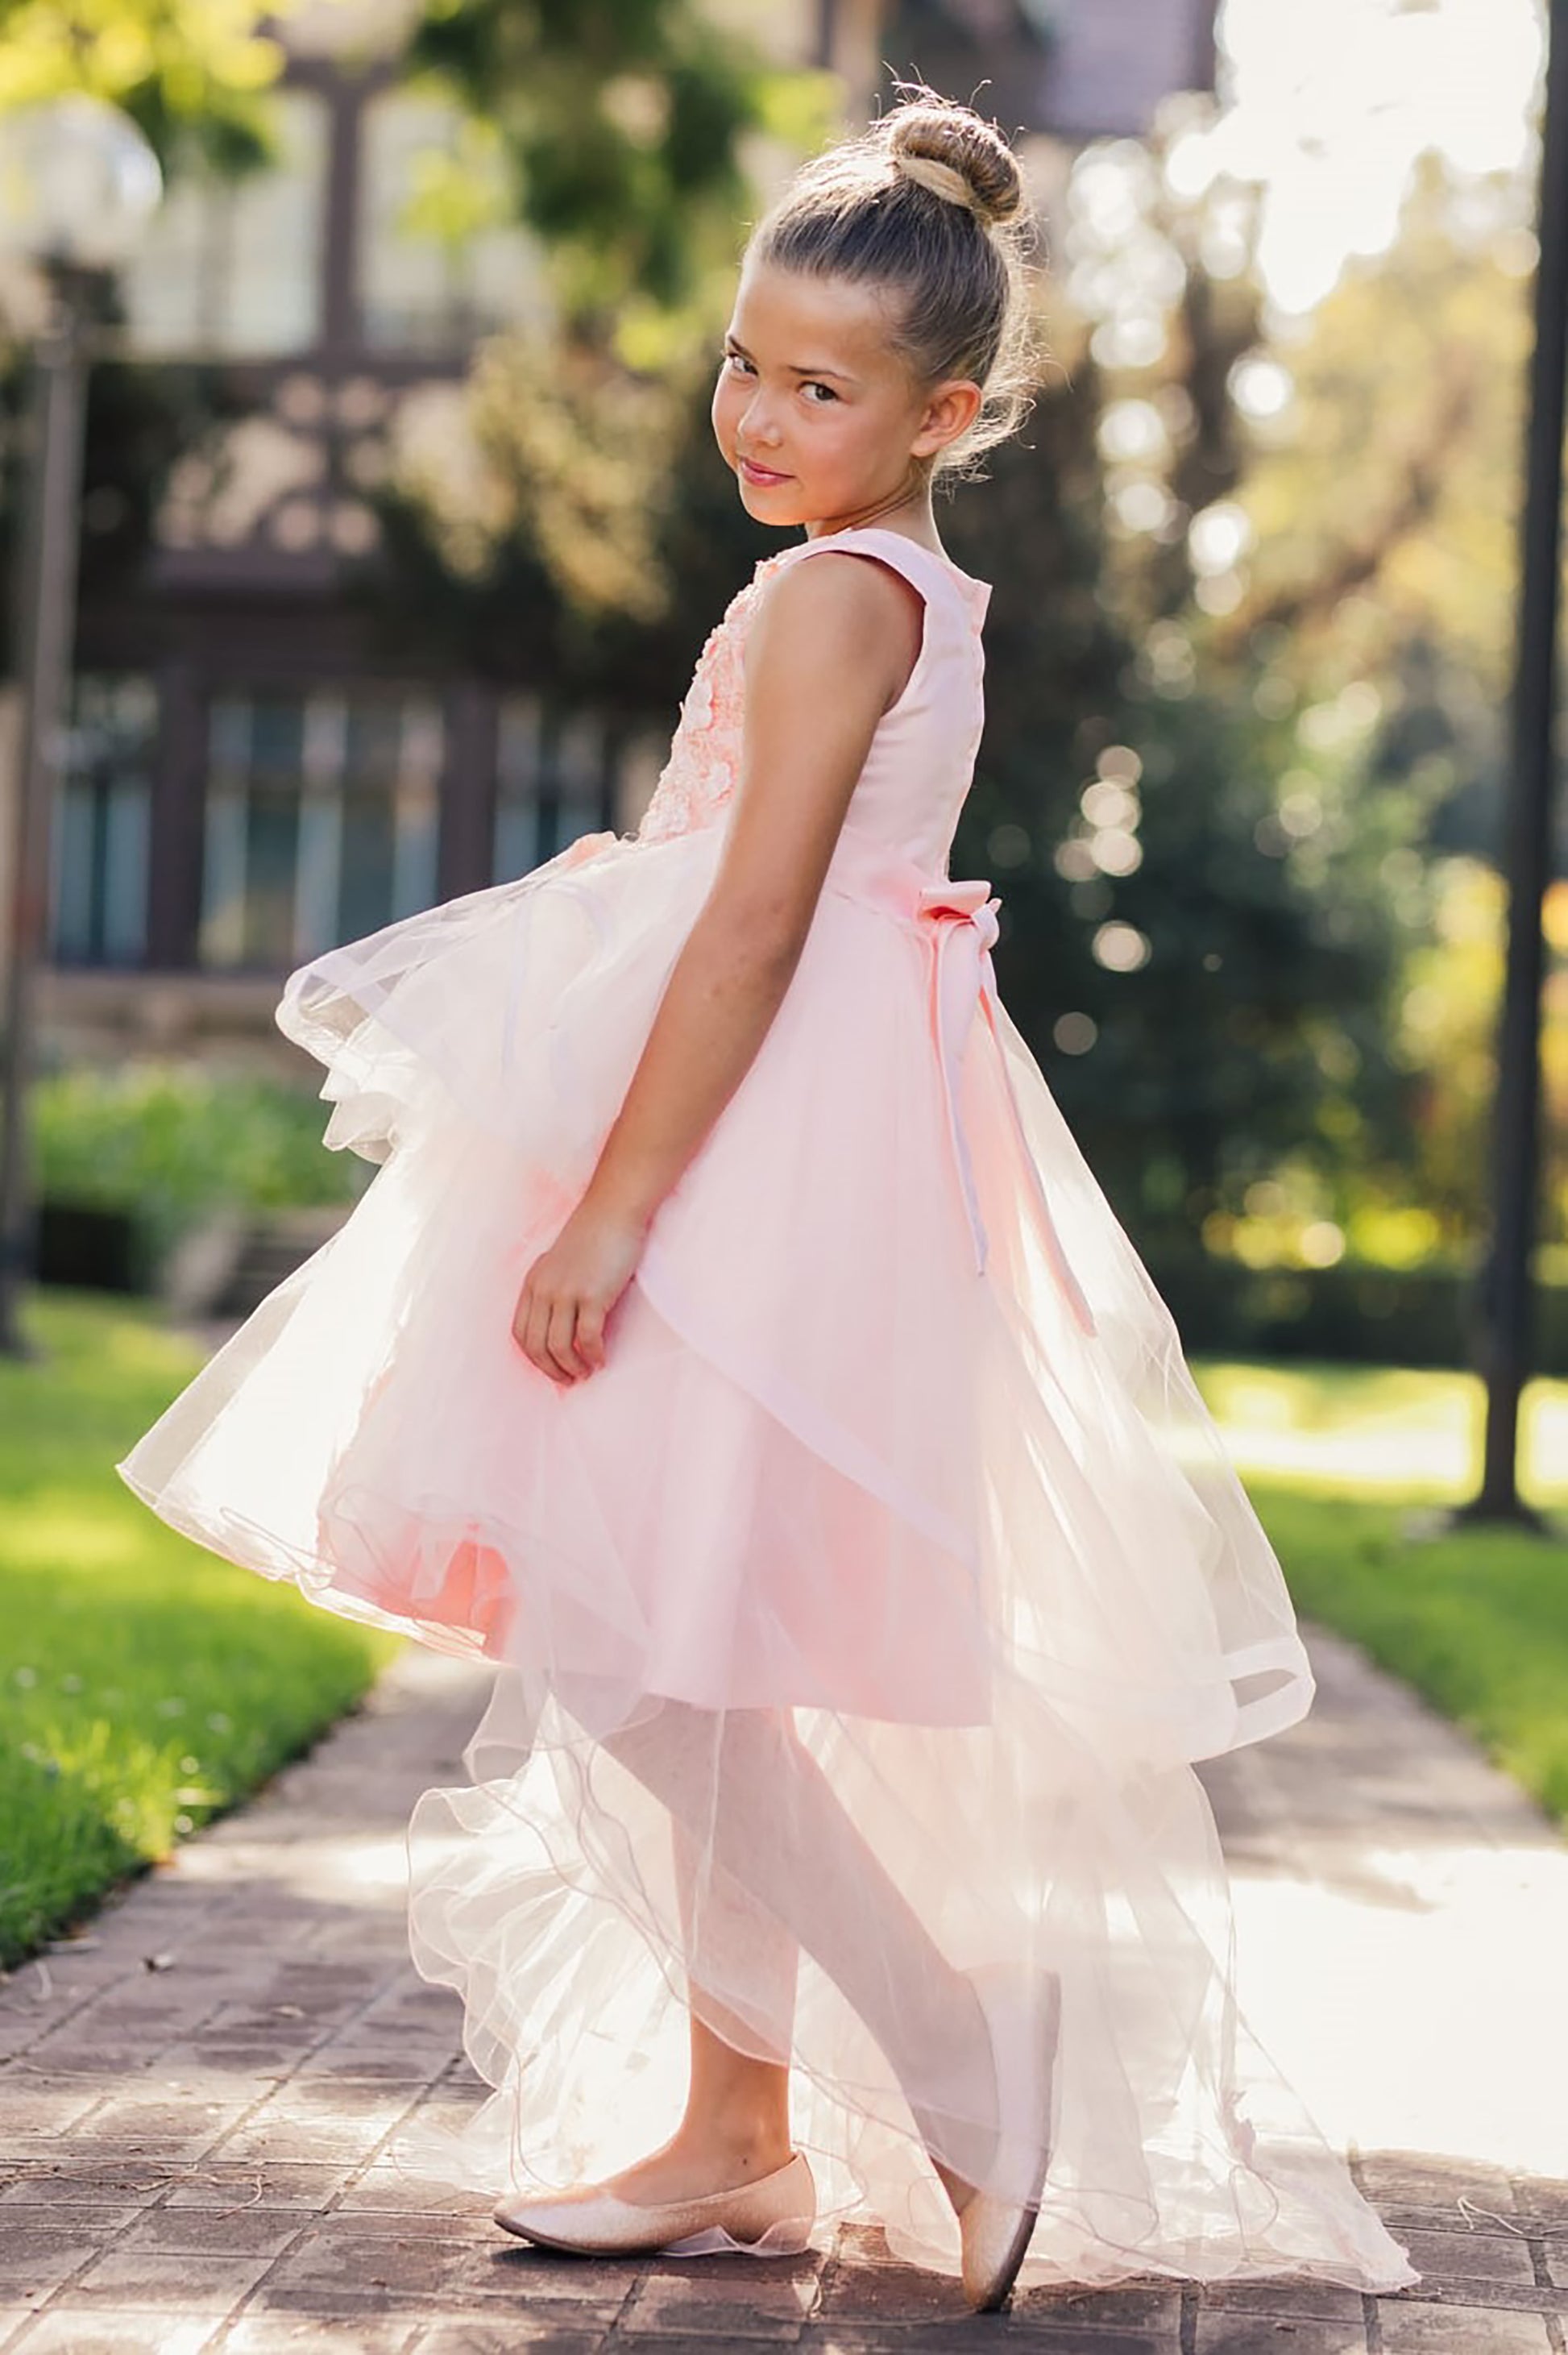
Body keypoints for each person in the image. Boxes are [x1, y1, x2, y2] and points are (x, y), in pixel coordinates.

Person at [116, 89, 1420, 2315]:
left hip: (749, 1136)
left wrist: (612, 1206)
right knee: (687, 1625)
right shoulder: (863, 579)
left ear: (946, 412)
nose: (757, 412)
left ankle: (955, 2056)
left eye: (816, 388)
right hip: (811, 1112)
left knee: (639, 1640)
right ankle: (739, 2128)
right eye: (744, 363)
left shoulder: (838, 595)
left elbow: (749, 929)